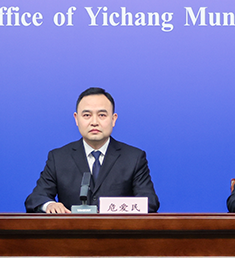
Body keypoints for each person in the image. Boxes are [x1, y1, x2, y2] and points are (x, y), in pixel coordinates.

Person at [25, 87, 159, 213]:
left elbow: (150, 202)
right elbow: (35, 198)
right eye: (87, 115)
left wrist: (111, 209)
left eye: (102, 115)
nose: (94, 122)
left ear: (113, 119)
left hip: (116, 229)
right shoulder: (58, 158)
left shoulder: (134, 158)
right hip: (72, 230)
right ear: (76, 119)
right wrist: (50, 205)